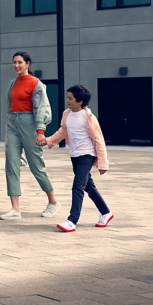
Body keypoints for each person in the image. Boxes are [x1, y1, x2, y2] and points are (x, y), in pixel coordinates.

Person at [42, 85, 113, 232]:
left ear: (80, 101)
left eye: (70, 98)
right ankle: (106, 212)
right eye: (67, 97)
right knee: (89, 187)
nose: (67, 100)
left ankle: (72, 220)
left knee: (77, 187)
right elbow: (62, 131)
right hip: (74, 156)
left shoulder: (89, 118)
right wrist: (48, 141)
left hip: (87, 155)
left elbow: (99, 139)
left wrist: (103, 163)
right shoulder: (66, 114)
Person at [1, 51, 60, 220]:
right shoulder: (12, 83)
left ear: (27, 63)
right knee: (11, 164)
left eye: (20, 62)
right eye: (14, 62)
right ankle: (15, 209)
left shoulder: (36, 84)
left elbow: (41, 108)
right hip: (13, 124)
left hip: (30, 124)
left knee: (36, 166)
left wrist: (40, 131)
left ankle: (53, 201)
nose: (16, 65)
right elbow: (9, 105)